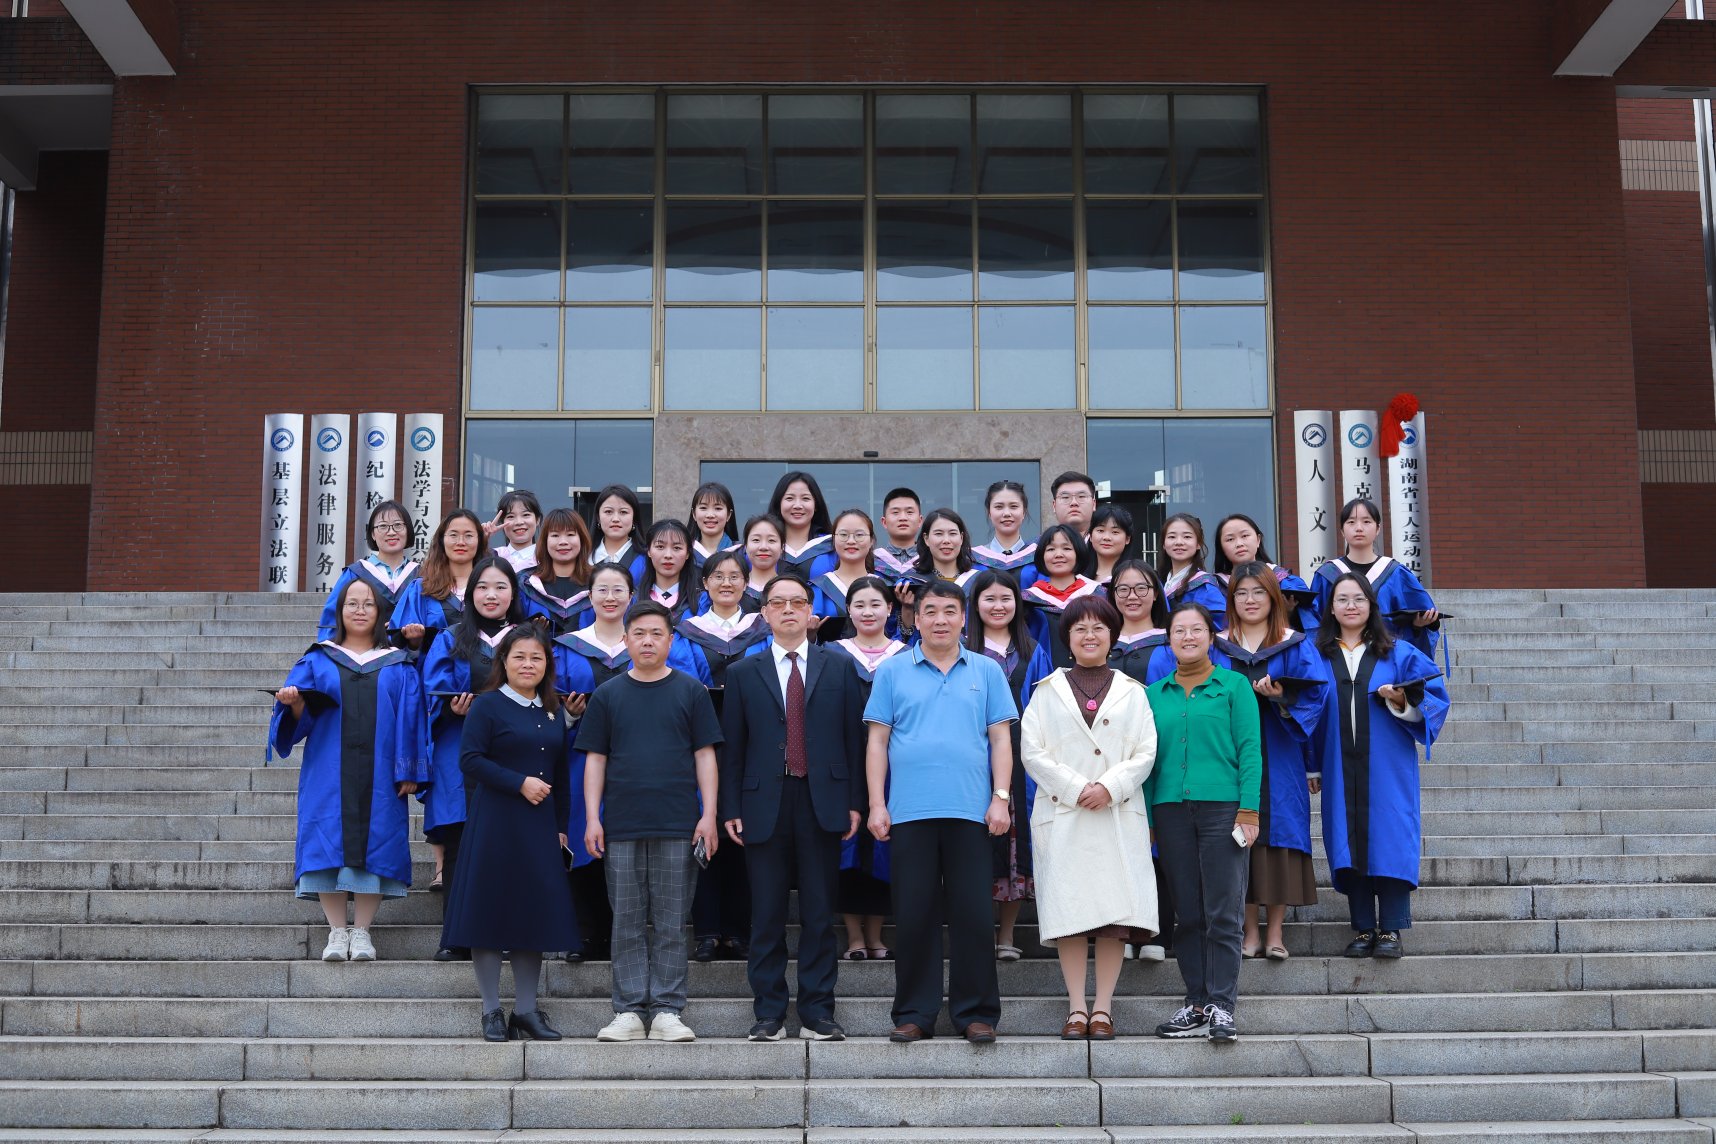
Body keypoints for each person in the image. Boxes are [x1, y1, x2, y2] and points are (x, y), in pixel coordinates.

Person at [864, 580, 1017, 1044]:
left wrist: (1001, 797)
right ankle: (915, 1012)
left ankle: (976, 1013)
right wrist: (876, 803)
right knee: (914, 915)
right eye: (930, 611)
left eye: (949, 611)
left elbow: (1000, 740)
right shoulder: (893, 671)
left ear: (963, 617)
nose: (940, 620)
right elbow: (877, 742)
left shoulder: (987, 670)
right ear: (916, 618)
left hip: (972, 812)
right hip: (909, 811)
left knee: (974, 915)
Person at [721, 574, 867, 1041]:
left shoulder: (838, 666)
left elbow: (854, 739)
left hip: (822, 800)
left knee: (819, 914)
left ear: (810, 612)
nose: (788, 610)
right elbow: (733, 748)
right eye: (778, 603)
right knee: (766, 914)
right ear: (764, 613)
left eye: (798, 602)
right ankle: (768, 1013)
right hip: (763, 801)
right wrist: (730, 806)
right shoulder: (743, 672)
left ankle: (818, 1012)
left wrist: (856, 802)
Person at [579, 601, 723, 1043]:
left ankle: (666, 1009)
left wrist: (709, 815)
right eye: (638, 633)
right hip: (621, 824)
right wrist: (592, 818)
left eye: (656, 633)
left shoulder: (691, 691)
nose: (647, 641)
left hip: (678, 823)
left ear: (671, 641)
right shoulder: (608, 694)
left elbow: (705, 756)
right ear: (625, 640)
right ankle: (627, 1010)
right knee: (625, 919)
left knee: (671, 920)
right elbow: (595, 760)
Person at [554, 562, 709, 963]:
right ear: (588, 597)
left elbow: (694, 726)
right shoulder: (568, 647)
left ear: (631, 595)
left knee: (653, 887)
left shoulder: (661, 653)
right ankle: (589, 934)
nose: (609, 597)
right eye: (601, 590)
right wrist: (567, 714)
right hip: (587, 763)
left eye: (618, 590)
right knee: (591, 843)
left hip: (659, 779)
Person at [1020, 595, 1159, 1041]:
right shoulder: (1046, 691)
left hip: (1116, 813)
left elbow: (1146, 751)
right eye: (1080, 628)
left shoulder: (1134, 692)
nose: (1090, 635)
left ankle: (1103, 1009)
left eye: (1099, 627)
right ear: (1067, 637)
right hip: (1066, 813)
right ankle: (1077, 1008)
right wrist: (1077, 788)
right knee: (1071, 915)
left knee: (1113, 918)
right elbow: (1031, 751)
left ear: (1112, 635)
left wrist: (1110, 787)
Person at [272, 578, 429, 963]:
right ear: (339, 612)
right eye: (351, 603)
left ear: (380, 612)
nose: (360, 610)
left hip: (381, 770)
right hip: (329, 768)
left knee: (376, 842)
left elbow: (411, 718)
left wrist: (408, 768)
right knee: (328, 842)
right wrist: (293, 703)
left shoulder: (398, 663)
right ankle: (336, 931)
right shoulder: (318, 659)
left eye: (368, 604)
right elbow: (301, 718)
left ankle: (362, 933)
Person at [440, 624, 580, 1042]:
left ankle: (526, 1011)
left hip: (539, 826)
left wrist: (561, 828)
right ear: (504, 661)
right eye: (519, 656)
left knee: (530, 914)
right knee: (489, 912)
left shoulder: (551, 709)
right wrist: (518, 783)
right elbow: (470, 760)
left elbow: (560, 774)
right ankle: (491, 1011)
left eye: (537, 657)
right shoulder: (487, 705)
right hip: (496, 823)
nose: (528, 664)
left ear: (547, 664)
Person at [1313, 571, 1450, 960]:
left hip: (1387, 764)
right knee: (1348, 839)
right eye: (1342, 599)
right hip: (1338, 762)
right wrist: (1311, 765)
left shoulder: (1399, 652)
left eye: (1359, 599)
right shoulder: (1316, 654)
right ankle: (1362, 927)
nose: (1350, 606)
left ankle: (1391, 927)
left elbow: (1434, 698)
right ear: (1331, 607)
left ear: (1371, 606)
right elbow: (1308, 710)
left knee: (1389, 837)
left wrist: (1401, 702)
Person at [1145, 603, 1262, 1044]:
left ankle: (1222, 1006)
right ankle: (1196, 1003)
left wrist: (1248, 810)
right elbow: (1147, 762)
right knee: (1188, 913)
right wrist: (1147, 817)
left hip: (1223, 810)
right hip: (1170, 810)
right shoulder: (1153, 694)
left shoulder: (1234, 686)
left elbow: (1250, 750)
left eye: (1197, 629)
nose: (1188, 637)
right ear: (1168, 640)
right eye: (1179, 631)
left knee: (1223, 911)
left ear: (1212, 638)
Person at [1216, 562, 1329, 961]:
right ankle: (1249, 931)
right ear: (1232, 600)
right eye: (1242, 593)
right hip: (1229, 754)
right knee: (1236, 834)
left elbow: (1316, 696)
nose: (1250, 600)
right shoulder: (1217, 644)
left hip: (1279, 752)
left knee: (1279, 834)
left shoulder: (1294, 644)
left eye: (1259, 592)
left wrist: (1281, 697)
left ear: (1273, 598)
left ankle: (1276, 931)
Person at [418, 557, 524, 957]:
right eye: (482, 587)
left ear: (513, 593)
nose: (491, 595)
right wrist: (451, 707)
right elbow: (432, 692)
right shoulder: (450, 638)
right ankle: (457, 937)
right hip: (459, 750)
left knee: (509, 845)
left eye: (500, 587)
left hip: (514, 751)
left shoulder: (527, 638)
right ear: (470, 594)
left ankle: (508, 934)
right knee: (459, 847)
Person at [676, 551, 772, 964]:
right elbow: (684, 681)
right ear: (705, 583)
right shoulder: (687, 632)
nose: (727, 583)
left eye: (735, 576)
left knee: (743, 832)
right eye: (718, 576)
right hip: (702, 742)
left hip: (753, 743)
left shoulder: (762, 630)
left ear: (746, 584)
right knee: (706, 826)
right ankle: (707, 931)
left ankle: (738, 930)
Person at [966, 569, 1053, 963]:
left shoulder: (1033, 651)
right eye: (989, 598)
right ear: (975, 604)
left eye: (1006, 598)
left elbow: (1046, 709)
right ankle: (977, 932)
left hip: (1021, 759)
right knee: (975, 843)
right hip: (971, 758)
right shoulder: (961, 648)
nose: (998, 606)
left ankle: (1006, 934)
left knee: (1015, 845)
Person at [826, 575, 907, 962]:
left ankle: (876, 935)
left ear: (890, 609)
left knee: (884, 847)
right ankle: (854, 936)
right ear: (848, 610)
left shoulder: (906, 655)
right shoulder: (831, 654)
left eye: (876, 604)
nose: (868, 612)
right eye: (859, 605)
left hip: (894, 766)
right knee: (847, 845)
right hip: (843, 761)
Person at [1106, 558, 1175, 962]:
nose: (1132, 596)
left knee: (1156, 840)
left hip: (1160, 755)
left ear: (1156, 594)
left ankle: (1157, 932)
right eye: (1123, 589)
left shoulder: (1170, 642)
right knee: (1116, 841)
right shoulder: (1102, 641)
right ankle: (1120, 931)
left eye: (1141, 588)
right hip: (1111, 757)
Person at [1311, 498, 1442, 662]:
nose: (1359, 528)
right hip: (1337, 659)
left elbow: (1419, 619)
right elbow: (1313, 623)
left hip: (1386, 657)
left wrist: (1417, 626)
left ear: (1378, 528)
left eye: (1366, 521)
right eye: (1351, 522)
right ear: (1342, 530)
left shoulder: (1396, 573)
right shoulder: (1326, 575)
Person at [315, 500, 420, 641]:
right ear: (372, 534)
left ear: (408, 530)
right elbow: (332, 622)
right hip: (364, 651)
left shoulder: (422, 575)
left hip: (412, 653)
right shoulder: (355, 574)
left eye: (398, 525)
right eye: (383, 526)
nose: (391, 532)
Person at [394, 508, 484, 651]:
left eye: (469, 535)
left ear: (479, 540)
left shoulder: (490, 588)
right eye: (453, 535)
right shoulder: (421, 589)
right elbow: (397, 644)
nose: (461, 542)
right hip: (433, 664)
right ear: (442, 540)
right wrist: (414, 642)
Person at [1213, 513, 1318, 633]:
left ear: (1258, 540)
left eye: (1245, 535)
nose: (1239, 543)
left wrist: (1289, 612)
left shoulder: (1285, 581)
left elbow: (1311, 627)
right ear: (1221, 548)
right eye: (1230, 539)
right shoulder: (1214, 587)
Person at [1022, 525, 1102, 668]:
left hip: (1091, 673)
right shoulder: (1027, 600)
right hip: (1041, 675)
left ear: (1078, 553)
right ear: (1042, 556)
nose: (1058, 554)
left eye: (1066, 548)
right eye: (1051, 549)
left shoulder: (1098, 595)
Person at [519, 507, 594, 636]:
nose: (563, 542)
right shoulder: (526, 584)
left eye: (570, 534)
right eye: (555, 535)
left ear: (582, 539)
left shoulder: (599, 583)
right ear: (545, 541)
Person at [810, 508, 878, 643]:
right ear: (833, 540)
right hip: (828, 656)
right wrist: (810, 635)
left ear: (871, 541)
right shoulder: (818, 588)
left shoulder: (882, 587)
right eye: (843, 534)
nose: (851, 541)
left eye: (859, 535)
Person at [1157, 513, 1227, 630]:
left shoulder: (1204, 586)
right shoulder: (1158, 582)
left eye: (1187, 537)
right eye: (1172, 537)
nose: (1179, 542)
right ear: (1164, 544)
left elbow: (1217, 625)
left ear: (1198, 544)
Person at [769, 470, 838, 581]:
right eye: (789, 498)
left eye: (805, 498)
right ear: (779, 504)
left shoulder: (833, 547)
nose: (798, 505)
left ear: (816, 505)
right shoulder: (761, 548)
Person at [970, 479, 1039, 589]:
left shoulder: (1038, 557)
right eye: (999, 507)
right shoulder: (973, 559)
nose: (1006, 513)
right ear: (989, 512)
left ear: (1024, 512)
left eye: (1013, 506)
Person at [637, 518, 698, 621]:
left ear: (687, 553)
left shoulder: (701, 600)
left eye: (677, 548)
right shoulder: (633, 599)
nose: (668, 555)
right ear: (649, 551)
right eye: (660, 547)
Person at [589, 484, 648, 583]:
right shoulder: (584, 557)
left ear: (634, 518)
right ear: (598, 517)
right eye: (608, 511)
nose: (615, 519)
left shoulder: (648, 559)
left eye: (623, 512)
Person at [486, 489, 543, 574]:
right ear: (502, 522)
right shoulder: (492, 556)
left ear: (537, 520)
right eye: (511, 516)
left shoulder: (546, 558)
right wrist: (481, 540)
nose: (519, 522)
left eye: (526, 515)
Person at [739, 513, 786, 614]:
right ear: (745, 546)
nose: (763, 547)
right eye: (756, 540)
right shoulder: (734, 587)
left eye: (771, 540)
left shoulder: (790, 589)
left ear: (782, 547)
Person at [688, 481, 739, 571]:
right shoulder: (685, 554)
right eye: (703, 508)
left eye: (718, 508)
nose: (710, 515)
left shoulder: (741, 553)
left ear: (728, 515)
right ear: (694, 514)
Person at [875, 487, 922, 583]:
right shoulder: (872, 561)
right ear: (884, 522)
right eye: (895, 512)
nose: (903, 518)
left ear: (920, 521)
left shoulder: (930, 561)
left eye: (909, 512)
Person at [1087, 504, 1134, 585]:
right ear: (1090, 536)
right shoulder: (1077, 576)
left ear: (1127, 539)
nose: (1106, 537)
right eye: (1100, 530)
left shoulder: (1137, 576)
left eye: (1115, 532)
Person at [1049, 471, 1098, 538]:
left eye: (1081, 496)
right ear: (1054, 506)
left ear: (1093, 504)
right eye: (1065, 497)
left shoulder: (1107, 543)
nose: (1074, 503)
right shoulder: (1040, 544)